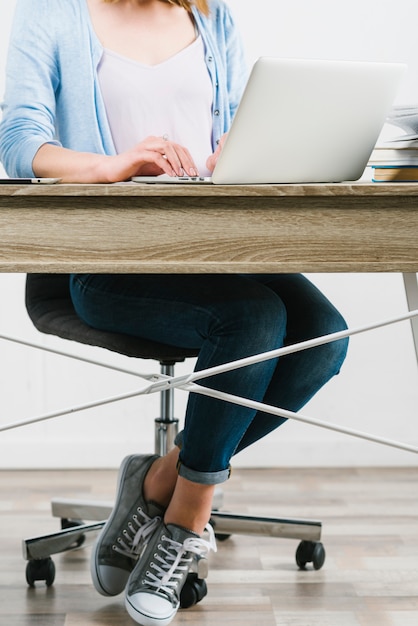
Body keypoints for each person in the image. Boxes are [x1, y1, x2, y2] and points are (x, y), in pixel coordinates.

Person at [0, 1, 349, 624]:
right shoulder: (52, 14)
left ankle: (160, 482)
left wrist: (234, 158)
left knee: (322, 336)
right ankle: (184, 524)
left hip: (218, 248)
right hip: (111, 261)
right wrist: (112, 167)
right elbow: (19, 141)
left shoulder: (212, 19)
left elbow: (242, 132)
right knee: (253, 322)